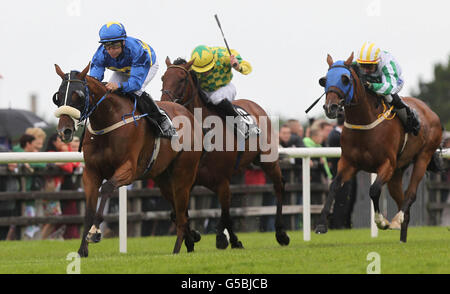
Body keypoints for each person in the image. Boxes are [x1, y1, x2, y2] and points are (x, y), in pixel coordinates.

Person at [90, 21, 177, 138]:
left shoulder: (138, 52)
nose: (111, 51)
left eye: (115, 46)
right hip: (122, 69)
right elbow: (94, 80)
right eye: (108, 47)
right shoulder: (100, 54)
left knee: (136, 91)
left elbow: (135, 84)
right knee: (107, 91)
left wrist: (119, 86)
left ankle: (162, 120)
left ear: (123, 42)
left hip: (147, 65)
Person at [189, 45, 260, 137]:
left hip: (224, 87)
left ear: (213, 61)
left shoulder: (224, 56)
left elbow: (248, 68)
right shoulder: (191, 65)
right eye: (201, 71)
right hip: (204, 91)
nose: (205, 73)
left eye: (208, 69)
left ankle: (243, 124)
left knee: (215, 98)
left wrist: (238, 66)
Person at [355, 42, 420, 135]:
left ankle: (410, 119)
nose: (365, 70)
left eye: (369, 66)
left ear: (378, 62)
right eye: (362, 66)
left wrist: (371, 86)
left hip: (393, 82)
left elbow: (389, 87)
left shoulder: (387, 64)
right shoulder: (361, 60)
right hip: (375, 79)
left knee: (388, 96)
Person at [327, 113, 357, 229]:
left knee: (348, 199)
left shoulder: (340, 133)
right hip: (340, 172)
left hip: (349, 172)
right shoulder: (335, 135)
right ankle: (337, 224)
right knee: (341, 199)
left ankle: (344, 223)